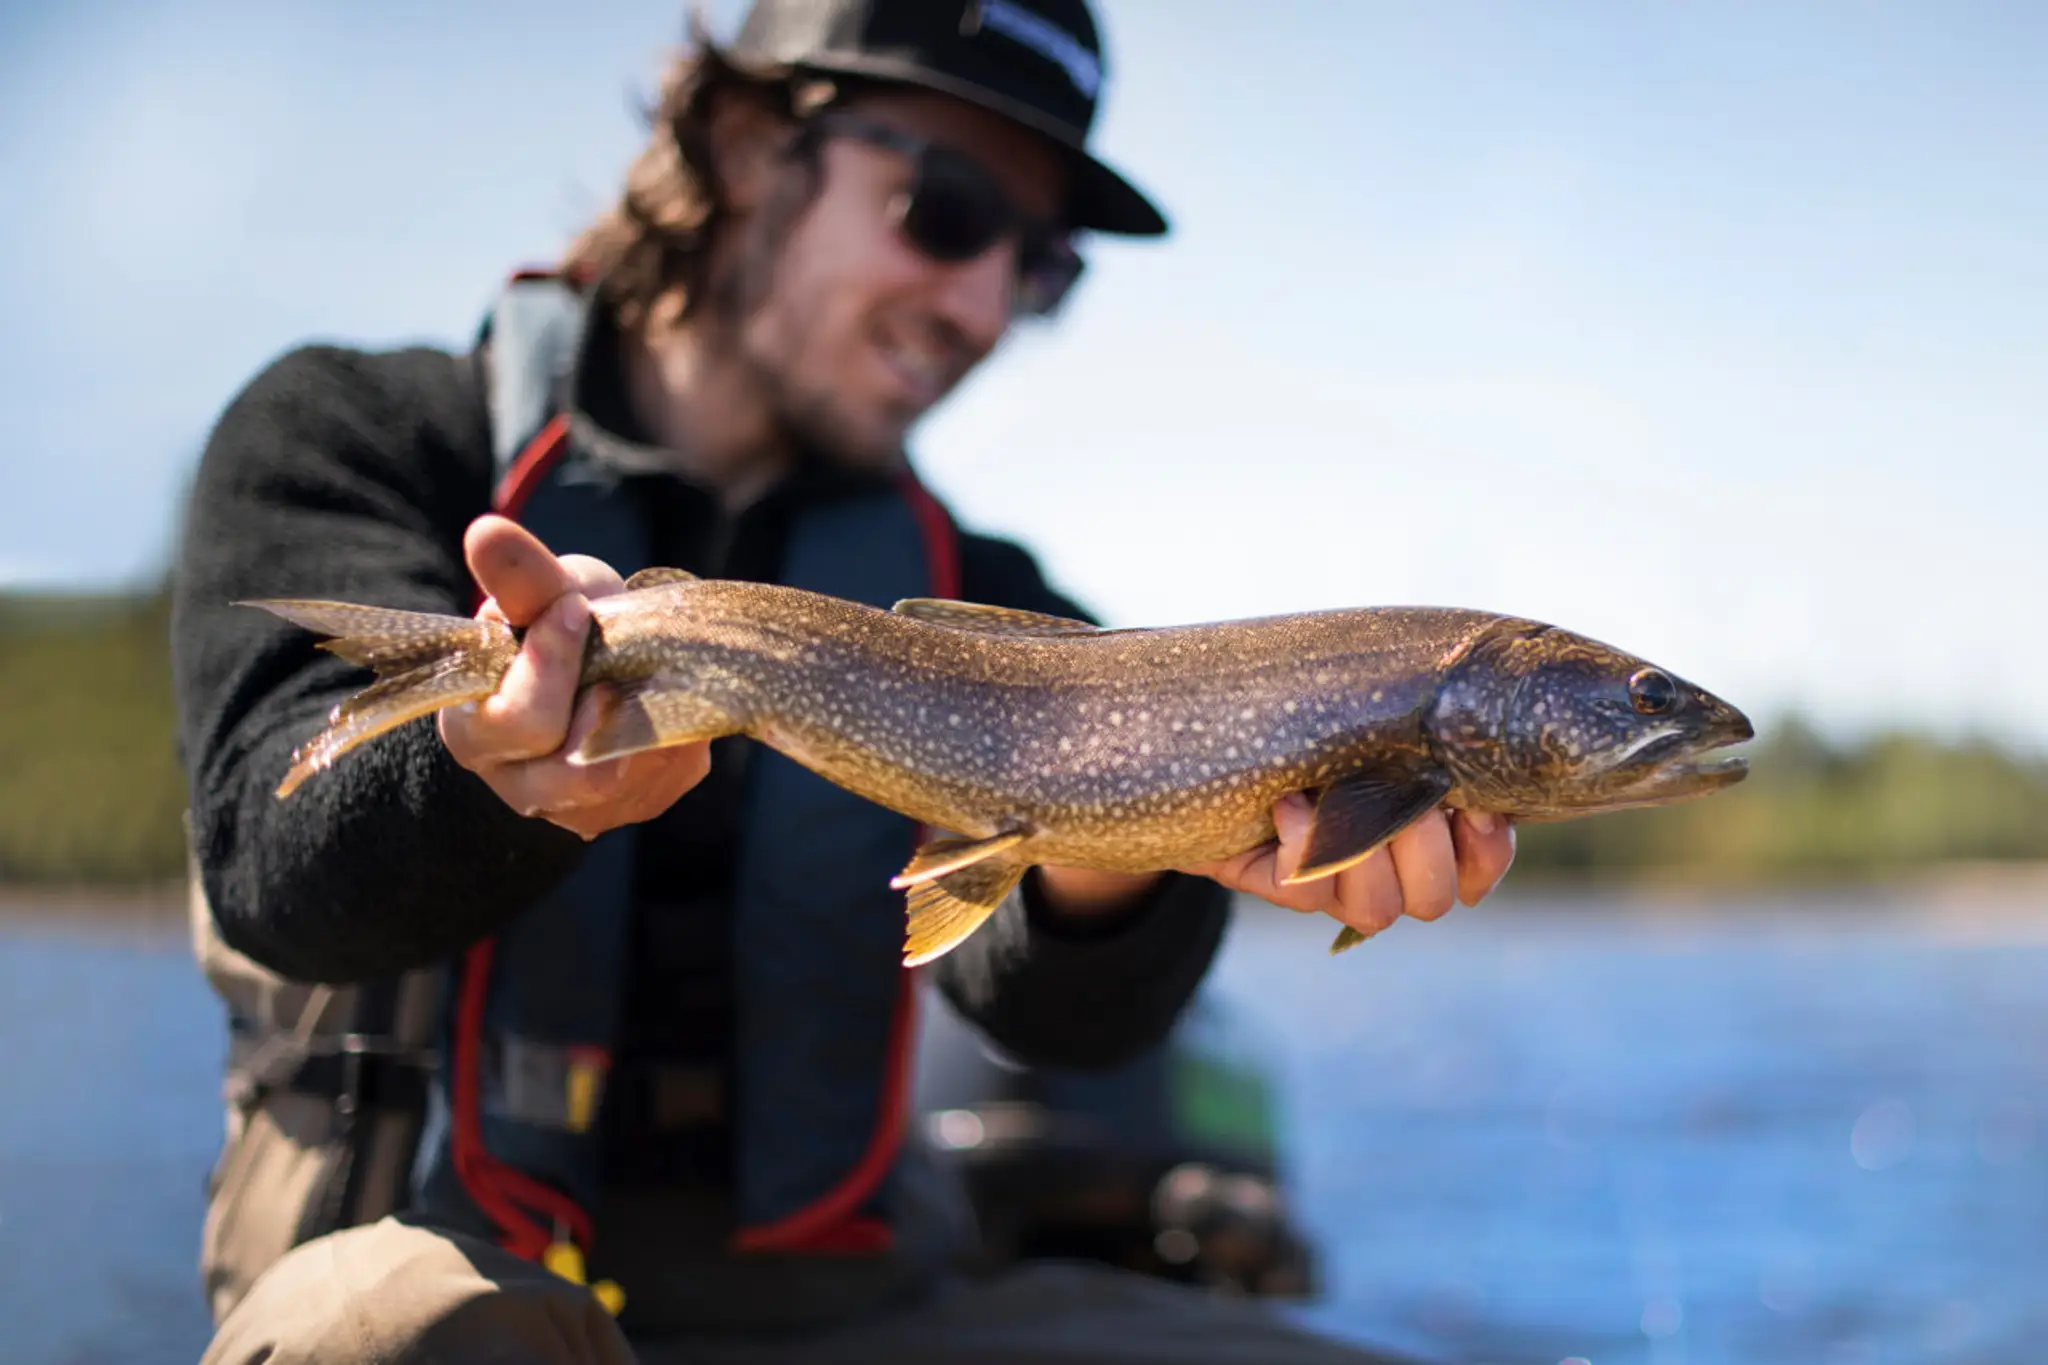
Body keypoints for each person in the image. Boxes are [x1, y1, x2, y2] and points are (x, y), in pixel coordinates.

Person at [169, 2, 1517, 1361]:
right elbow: (276, 876)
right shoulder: (363, 438)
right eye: (946, 213)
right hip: (435, 1255)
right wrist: (480, 768)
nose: (982, 306)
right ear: (745, 144)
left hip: (862, 1306)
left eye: (1042, 264)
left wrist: (1124, 843)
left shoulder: (1001, 602)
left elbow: (1063, 1021)